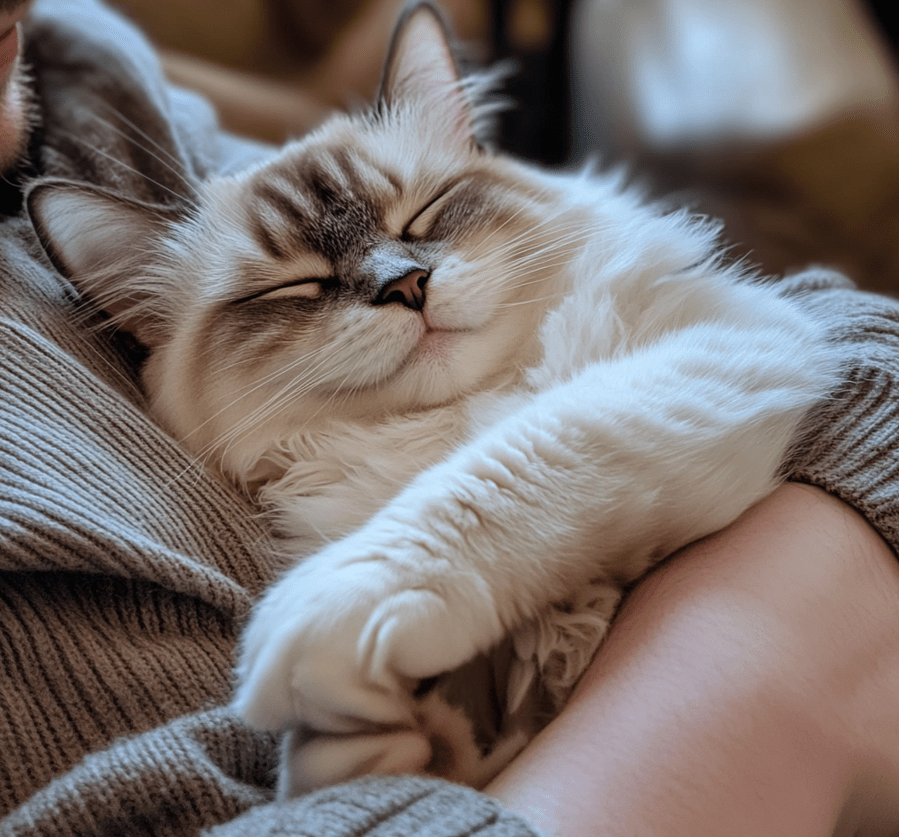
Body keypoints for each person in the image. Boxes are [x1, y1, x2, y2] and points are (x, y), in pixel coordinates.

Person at [2, 1, 899, 836]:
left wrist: (453, 541)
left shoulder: (73, 64)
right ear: (154, 333)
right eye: (293, 289)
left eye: (431, 215)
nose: (398, 276)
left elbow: (814, 350)